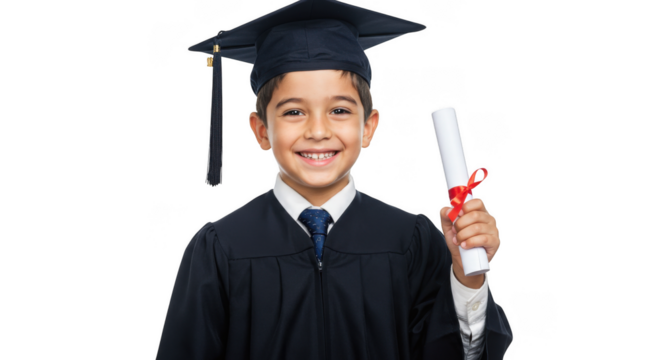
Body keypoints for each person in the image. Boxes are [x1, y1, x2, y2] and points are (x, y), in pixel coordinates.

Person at [156, 1, 513, 359]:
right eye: (294, 112)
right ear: (261, 131)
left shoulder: (412, 242)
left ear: (369, 127)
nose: (317, 131)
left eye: (339, 110)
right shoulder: (220, 249)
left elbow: (458, 356)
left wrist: (468, 278)